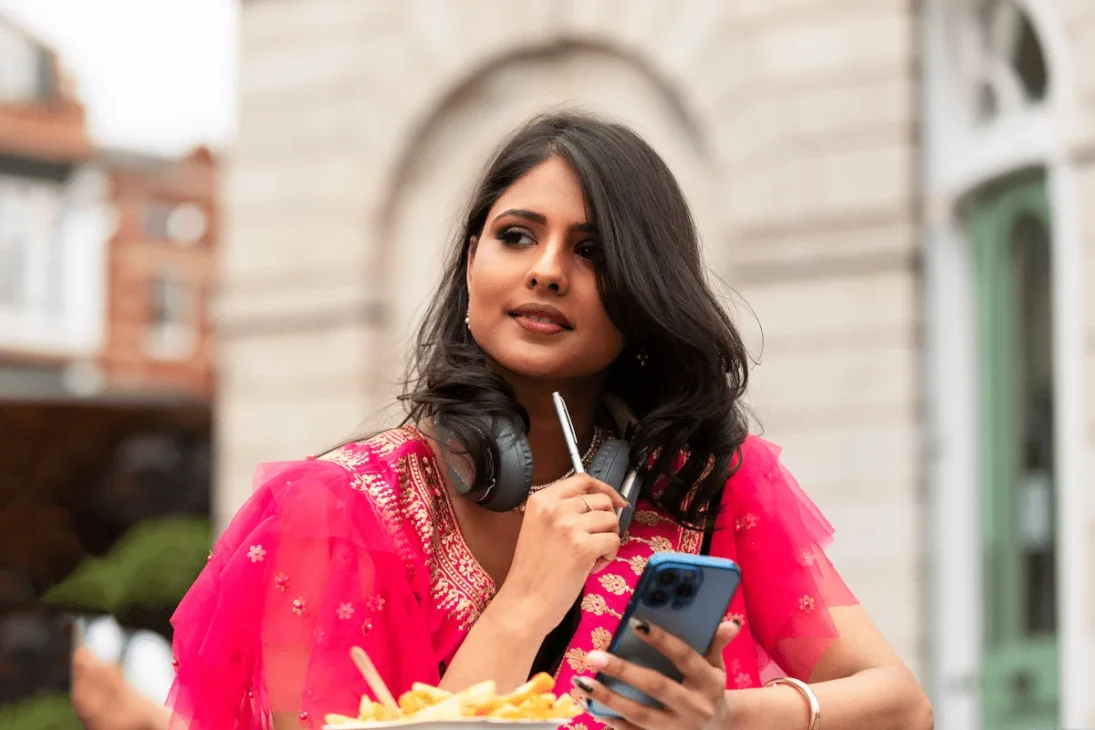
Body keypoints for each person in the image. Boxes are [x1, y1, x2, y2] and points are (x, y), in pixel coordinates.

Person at [166, 112, 933, 730]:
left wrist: (721, 716)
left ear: (643, 293)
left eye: (592, 251)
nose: (545, 269)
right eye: (516, 235)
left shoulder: (700, 483)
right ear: (471, 261)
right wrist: (528, 601)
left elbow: (902, 709)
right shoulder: (335, 509)